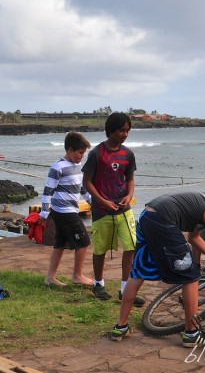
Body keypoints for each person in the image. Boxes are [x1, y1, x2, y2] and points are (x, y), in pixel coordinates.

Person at [111, 187, 205, 347]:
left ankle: (121, 326)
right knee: (191, 275)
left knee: (139, 271)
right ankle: (191, 333)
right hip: (162, 220)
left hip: (147, 215)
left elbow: (194, 238)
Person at [82, 112, 144, 307]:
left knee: (131, 247)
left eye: (127, 130)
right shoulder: (96, 154)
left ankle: (125, 288)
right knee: (100, 249)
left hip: (124, 210)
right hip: (102, 210)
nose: (124, 134)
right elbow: (87, 182)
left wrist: (129, 195)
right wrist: (102, 201)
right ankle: (98, 284)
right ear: (111, 130)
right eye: (121, 130)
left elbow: (130, 179)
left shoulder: (128, 154)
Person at [38, 131, 94, 287]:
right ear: (70, 150)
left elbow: (82, 188)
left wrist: (92, 202)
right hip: (63, 212)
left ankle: (50, 278)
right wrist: (44, 212)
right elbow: (48, 190)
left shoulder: (77, 166)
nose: (81, 156)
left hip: (69, 210)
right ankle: (77, 276)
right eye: (80, 153)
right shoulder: (58, 167)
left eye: (83, 153)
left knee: (60, 243)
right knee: (83, 242)